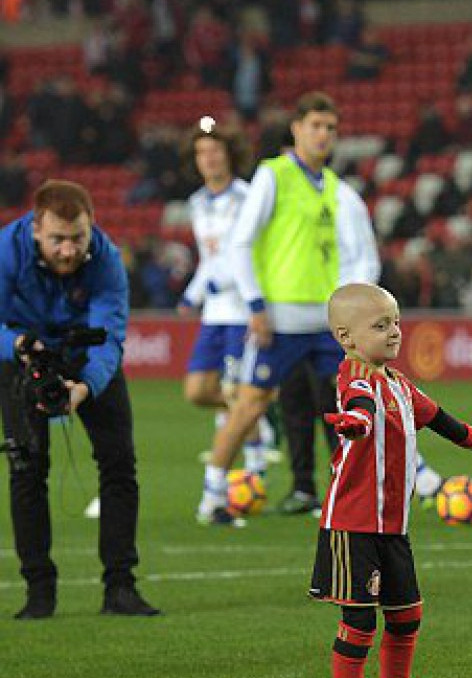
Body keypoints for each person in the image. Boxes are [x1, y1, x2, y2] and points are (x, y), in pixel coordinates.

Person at [195, 92, 382, 525]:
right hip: (278, 320)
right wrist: (256, 306)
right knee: (250, 405)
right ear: (296, 129)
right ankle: (212, 494)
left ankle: (355, 496)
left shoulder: (335, 190)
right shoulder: (272, 176)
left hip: (325, 323)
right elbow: (240, 243)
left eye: (331, 128)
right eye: (315, 126)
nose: (323, 135)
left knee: (354, 407)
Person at [310, 282, 472, 678]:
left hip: (393, 524)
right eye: (380, 326)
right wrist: (356, 424)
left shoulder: (398, 383)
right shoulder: (355, 376)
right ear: (346, 337)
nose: (394, 331)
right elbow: (358, 405)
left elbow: (436, 416)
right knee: (360, 624)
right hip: (353, 523)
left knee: (406, 617)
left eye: (395, 322)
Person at [0, 180, 160, 618]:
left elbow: (109, 339)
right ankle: (39, 592)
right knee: (26, 467)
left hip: (85, 357)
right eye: (58, 239)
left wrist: (86, 386)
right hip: (21, 355)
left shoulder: (107, 259)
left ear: (91, 228)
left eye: (78, 238)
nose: (69, 250)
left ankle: (121, 588)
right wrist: (16, 345)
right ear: (36, 230)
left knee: (119, 464)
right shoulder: (5, 251)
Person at [176, 121, 275, 480]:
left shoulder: (248, 198)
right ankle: (257, 417)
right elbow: (209, 257)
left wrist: (228, 287)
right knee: (198, 391)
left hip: (242, 312)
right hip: (213, 313)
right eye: (202, 152)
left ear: (230, 155)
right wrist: (193, 293)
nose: (210, 158)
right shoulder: (197, 203)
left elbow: (252, 254)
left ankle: (255, 465)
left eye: (216, 150)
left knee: (236, 391)